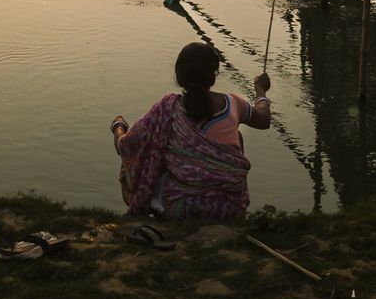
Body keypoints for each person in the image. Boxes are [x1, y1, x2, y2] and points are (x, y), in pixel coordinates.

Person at [110, 42, 271, 221]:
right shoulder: (233, 103)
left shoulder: (168, 107)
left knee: (149, 150)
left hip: (181, 208)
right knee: (236, 138)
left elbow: (124, 146)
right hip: (231, 208)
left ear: (179, 75)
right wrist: (260, 90)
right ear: (214, 74)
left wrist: (118, 126)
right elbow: (263, 120)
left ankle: (156, 209)